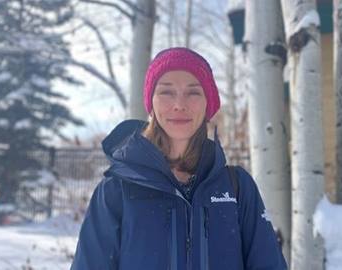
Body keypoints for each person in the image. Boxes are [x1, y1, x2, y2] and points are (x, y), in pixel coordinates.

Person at [71, 47, 287, 270]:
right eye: (166, 92)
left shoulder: (237, 188)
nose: (179, 104)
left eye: (193, 92)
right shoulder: (116, 190)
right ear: (151, 103)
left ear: (208, 105)